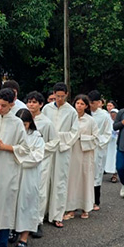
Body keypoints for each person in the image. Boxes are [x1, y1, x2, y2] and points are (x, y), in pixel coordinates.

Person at [0, 88, 27, 247]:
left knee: (4, 207)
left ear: (12, 104)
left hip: (8, 170)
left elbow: (25, 148)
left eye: (3, 105)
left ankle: (2, 246)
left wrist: (6, 147)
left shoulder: (17, 123)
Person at [42, 83, 79, 226]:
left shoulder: (71, 111)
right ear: (53, 94)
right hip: (47, 148)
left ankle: (57, 215)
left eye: (62, 96)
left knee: (60, 181)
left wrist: (60, 139)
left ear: (67, 95)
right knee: (44, 180)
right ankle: (42, 213)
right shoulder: (47, 109)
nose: (59, 99)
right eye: (57, 96)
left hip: (62, 149)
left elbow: (74, 132)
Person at [25, 91, 58, 239]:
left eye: (34, 102)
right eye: (29, 102)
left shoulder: (46, 122)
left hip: (42, 160)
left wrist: (40, 149)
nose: (31, 105)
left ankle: (37, 221)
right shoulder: (21, 119)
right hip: (24, 159)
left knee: (39, 190)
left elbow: (55, 141)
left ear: (41, 104)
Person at [12, 109, 45, 247]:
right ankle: (12, 230)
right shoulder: (12, 135)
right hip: (13, 174)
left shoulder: (37, 137)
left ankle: (24, 236)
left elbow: (37, 157)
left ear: (30, 123)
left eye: (24, 125)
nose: (22, 128)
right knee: (12, 203)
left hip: (29, 175)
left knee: (27, 204)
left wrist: (17, 156)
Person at [64, 95, 96, 220]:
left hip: (85, 153)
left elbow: (96, 138)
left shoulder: (90, 120)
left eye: (82, 104)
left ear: (86, 106)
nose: (79, 106)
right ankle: (71, 208)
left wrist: (82, 138)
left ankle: (85, 207)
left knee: (85, 179)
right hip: (72, 152)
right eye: (77, 103)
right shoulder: (70, 118)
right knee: (72, 180)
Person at [88, 90, 113, 211]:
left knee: (96, 174)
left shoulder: (104, 116)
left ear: (99, 102)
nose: (91, 105)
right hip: (85, 146)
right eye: (89, 102)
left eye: (93, 103)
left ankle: (95, 200)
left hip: (97, 148)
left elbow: (108, 133)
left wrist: (97, 141)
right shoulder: (85, 113)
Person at [105, 108, 119, 182]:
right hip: (110, 143)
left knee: (116, 158)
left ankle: (115, 174)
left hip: (118, 143)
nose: (113, 116)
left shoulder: (120, 122)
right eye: (112, 115)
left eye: (114, 115)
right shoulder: (108, 122)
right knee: (110, 158)